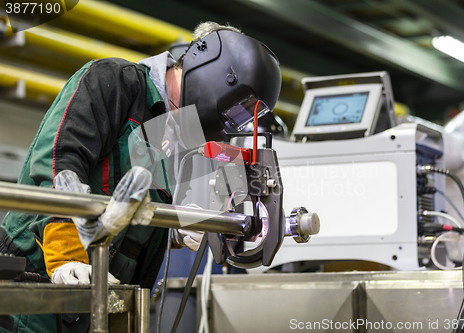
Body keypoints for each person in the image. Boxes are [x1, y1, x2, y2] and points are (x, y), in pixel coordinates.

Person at [0, 21, 281, 333]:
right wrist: (66, 256)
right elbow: (56, 161)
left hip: (102, 297)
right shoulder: (115, 82)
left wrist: (178, 227)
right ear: (213, 71)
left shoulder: (175, 128)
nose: (229, 123)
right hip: (36, 283)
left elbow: (134, 210)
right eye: (234, 111)